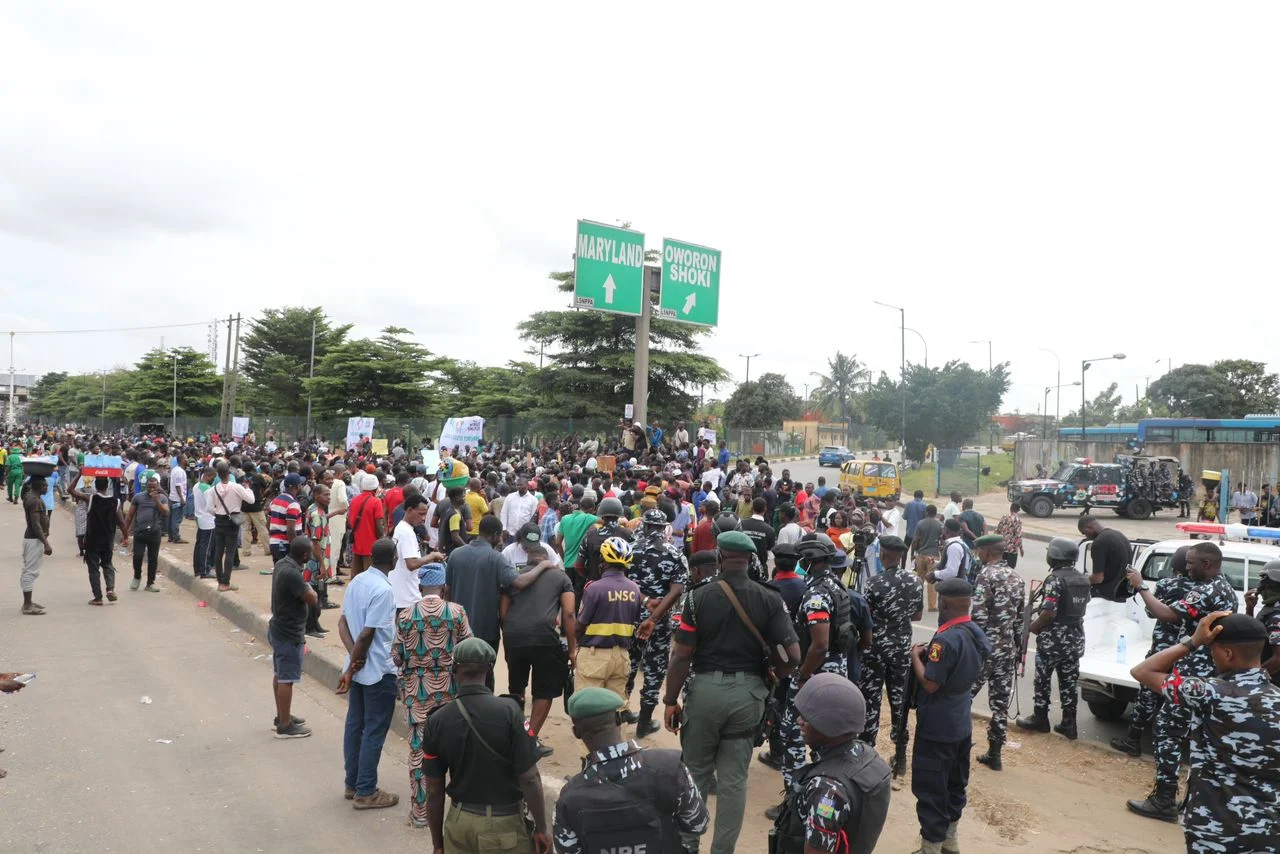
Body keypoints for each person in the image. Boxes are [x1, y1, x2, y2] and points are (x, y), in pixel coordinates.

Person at [663, 530, 801, 854]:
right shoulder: (770, 598)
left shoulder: (697, 597)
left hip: (705, 692)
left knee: (694, 773)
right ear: (751, 560)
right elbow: (793, 656)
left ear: (720, 558)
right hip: (748, 696)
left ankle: (687, 845)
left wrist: (670, 701)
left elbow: (681, 654)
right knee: (733, 783)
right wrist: (773, 674)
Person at [1129, 612, 1280, 853]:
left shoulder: (1209, 692)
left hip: (1215, 830)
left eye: (1213, 652)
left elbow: (1143, 671)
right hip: (1269, 833)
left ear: (1227, 654)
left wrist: (1193, 641)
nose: (1212, 657)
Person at [1122, 541, 1239, 821]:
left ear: (1207, 564)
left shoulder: (1209, 590)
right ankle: (1190, 800)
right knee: (1195, 739)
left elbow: (1167, 615)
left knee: (1168, 732)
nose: (1186, 568)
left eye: (1191, 563)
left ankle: (1164, 800)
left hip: (1192, 672)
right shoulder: (1225, 589)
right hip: (1206, 671)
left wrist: (1140, 586)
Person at [421, 637, 552, 854]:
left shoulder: (437, 720)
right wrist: (541, 828)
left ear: (455, 670)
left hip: (459, 824)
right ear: (489, 670)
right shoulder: (511, 712)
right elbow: (529, 778)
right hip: (504, 825)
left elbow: (434, 791)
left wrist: (437, 844)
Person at [554, 687, 708, 854]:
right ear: (618, 720)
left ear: (576, 733)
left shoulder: (570, 798)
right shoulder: (670, 768)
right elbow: (699, 824)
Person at [771, 532, 857, 817]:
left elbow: (819, 645)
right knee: (827, 737)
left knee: (793, 735)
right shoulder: (836, 586)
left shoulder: (818, 593)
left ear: (808, 561)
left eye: (802, 560)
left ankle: (794, 805)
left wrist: (802, 675)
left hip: (816, 677)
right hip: (835, 673)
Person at [909, 578, 992, 854]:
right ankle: (949, 841)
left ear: (943, 604)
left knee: (931, 787)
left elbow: (930, 684)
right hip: (960, 723)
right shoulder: (974, 631)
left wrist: (915, 658)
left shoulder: (945, 640)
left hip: (937, 727)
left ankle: (930, 847)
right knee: (955, 784)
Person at [769, 674, 891, 854]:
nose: (799, 721)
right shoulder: (866, 754)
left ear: (830, 725)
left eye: (807, 718)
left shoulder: (826, 790)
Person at [393, 561, 471, 830]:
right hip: (451, 696)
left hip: (417, 695)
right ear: (444, 587)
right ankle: (461, 815)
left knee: (420, 754)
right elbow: (469, 652)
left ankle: (421, 813)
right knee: (458, 754)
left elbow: (397, 656)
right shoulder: (457, 613)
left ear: (419, 585)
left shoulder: (405, 616)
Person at [1110, 545, 1196, 757]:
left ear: (1174, 566)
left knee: (1148, 694)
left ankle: (1133, 739)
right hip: (1188, 651)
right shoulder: (1203, 588)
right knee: (1179, 694)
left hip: (1163, 649)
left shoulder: (1167, 584)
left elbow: (1151, 611)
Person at [336, 537, 400, 810]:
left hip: (361, 668)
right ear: (393, 559)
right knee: (373, 729)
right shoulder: (384, 591)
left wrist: (352, 660)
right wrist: (355, 659)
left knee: (355, 725)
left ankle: (353, 783)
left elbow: (342, 623)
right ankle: (365, 790)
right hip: (378, 670)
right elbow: (367, 633)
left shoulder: (357, 581)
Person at [499, 537, 574, 755]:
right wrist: (571, 649)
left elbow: (503, 614)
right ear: (548, 560)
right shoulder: (560, 577)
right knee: (544, 690)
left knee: (516, 688)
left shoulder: (513, 576)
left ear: (527, 559)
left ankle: (516, 732)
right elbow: (568, 614)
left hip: (514, 636)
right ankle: (530, 738)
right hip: (544, 637)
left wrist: (510, 637)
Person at [447, 515, 554, 666]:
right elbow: (520, 582)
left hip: (457, 627)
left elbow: (447, 591)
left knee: (459, 671)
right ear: (495, 535)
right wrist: (542, 565)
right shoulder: (496, 558)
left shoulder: (455, 555)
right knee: (485, 673)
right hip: (486, 629)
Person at [1016, 537, 1090, 740]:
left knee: (1043, 680)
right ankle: (1069, 723)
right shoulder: (1082, 578)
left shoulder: (1055, 579)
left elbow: (1049, 612)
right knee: (1068, 681)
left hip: (1054, 640)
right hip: (1075, 638)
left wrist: (1033, 627)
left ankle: (1040, 719)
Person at [858, 535, 922, 765]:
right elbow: (918, 615)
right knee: (899, 700)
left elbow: (866, 618)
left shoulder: (874, 583)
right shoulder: (915, 581)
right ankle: (901, 755)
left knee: (871, 698)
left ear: (883, 555)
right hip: (901, 648)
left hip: (875, 650)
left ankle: (866, 753)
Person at [625, 509, 688, 738]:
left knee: (627, 667)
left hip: (629, 619)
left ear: (645, 525)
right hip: (659, 624)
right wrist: (653, 618)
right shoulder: (674, 553)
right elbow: (678, 590)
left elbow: (621, 582)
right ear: (663, 528)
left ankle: (620, 712)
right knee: (654, 670)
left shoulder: (629, 549)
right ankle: (644, 723)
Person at [968, 533, 1025, 770]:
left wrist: (970, 647)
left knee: (962, 697)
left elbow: (979, 616)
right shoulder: (1016, 577)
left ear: (988, 551)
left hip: (985, 649)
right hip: (1007, 648)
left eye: (979, 551)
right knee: (1000, 704)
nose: (978, 554)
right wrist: (1017, 648)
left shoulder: (985, 576)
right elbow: (1021, 619)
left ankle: (958, 746)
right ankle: (995, 754)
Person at [574, 535, 643, 705]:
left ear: (603, 561)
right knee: (616, 707)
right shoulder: (634, 589)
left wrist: (578, 645)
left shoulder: (594, 589)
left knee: (588, 706)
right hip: (621, 656)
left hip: (594, 655)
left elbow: (580, 625)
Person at [268, 535, 319, 739]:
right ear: (305, 555)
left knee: (280, 674)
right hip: (289, 632)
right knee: (286, 678)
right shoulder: (292, 573)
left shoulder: (282, 563)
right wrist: (311, 588)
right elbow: (312, 598)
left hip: (279, 628)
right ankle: (285, 726)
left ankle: (283, 715)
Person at [81, 476, 128, 605]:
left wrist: (80, 474)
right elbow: (122, 523)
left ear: (96, 485)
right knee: (107, 564)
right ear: (107, 486)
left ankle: (98, 598)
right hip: (107, 541)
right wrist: (126, 537)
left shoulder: (91, 499)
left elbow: (70, 490)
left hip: (91, 541)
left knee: (93, 569)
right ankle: (110, 589)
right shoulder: (115, 502)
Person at [209, 461, 255, 592]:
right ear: (229, 472)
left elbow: (209, 508)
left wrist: (219, 513)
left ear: (217, 473)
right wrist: (248, 488)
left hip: (219, 521)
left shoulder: (214, 489)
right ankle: (226, 582)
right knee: (230, 551)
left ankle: (220, 581)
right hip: (232, 522)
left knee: (218, 552)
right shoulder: (236, 487)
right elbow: (251, 500)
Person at [124, 472, 168, 592]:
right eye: (150, 487)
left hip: (155, 532)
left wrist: (157, 501)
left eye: (154, 487)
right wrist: (125, 533)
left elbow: (166, 513)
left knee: (153, 559)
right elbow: (129, 516)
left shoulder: (163, 498)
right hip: (140, 531)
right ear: (146, 486)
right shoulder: (138, 497)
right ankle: (137, 576)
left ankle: (150, 583)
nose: (152, 489)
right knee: (137, 556)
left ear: (158, 486)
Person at [1078, 516, 1132, 602]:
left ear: (1089, 527)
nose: (1086, 537)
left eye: (1084, 533)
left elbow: (1098, 578)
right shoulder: (1119, 535)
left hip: (1107, 594)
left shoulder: (1099, 543)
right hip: (1123, 593)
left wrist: (1081, 581)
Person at [1245, 559, 1280, 685]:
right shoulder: (1271, 609)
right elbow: (1253, 637)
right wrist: (1250, 609)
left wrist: (1250, 679)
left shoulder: (1276, 615)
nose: (1259, 587)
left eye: (1264, 581)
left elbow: (1278, 659)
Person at [348, 473, 387, 577]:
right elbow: (379, 526)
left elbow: (350, 520)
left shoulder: (354, 500)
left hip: (357, 540)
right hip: (371, 543)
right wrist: (382, 539)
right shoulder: (376, 502)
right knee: (369, 574)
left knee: (356, 574)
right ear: (375, 488)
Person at [911, 504, 943, 612]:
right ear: (935, 512)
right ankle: (932, 605)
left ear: (926, 512)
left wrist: (912, 554)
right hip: (933, 555)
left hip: (921, 554)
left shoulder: (920, 523)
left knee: (919, 580)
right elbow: (942, 542)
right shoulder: (940, 525)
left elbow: (915, 540)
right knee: (932, 581)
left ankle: (917, 604)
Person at [267, 473, 304, 566]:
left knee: (279, 573)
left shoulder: (275, 501)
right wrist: (295, 549)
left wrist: (275, 536)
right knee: (290, 574)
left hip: (275, 543)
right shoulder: (293, 504)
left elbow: (268, 524)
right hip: (286, 545)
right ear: (297, 486)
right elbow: (291, 530)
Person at [191, 467, 216, 578]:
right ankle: (205, 570)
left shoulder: (196, 486)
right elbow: (211, 505)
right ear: (208, 476)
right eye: (213, 477)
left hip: (200, 518)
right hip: (208, 519)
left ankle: (197, 569)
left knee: (199, 545)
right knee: (206, 547)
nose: (213, 480)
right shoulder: (207, 489)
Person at [500, 479, 539, 543]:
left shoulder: (533, 500)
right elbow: (504, 513)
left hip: (524, 535)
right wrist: (504, 529)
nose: (519, 487)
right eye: (517, 485)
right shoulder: (510, 497)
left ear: (527, 486)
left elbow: (533, 518)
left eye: (521, 485)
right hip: (509, 533)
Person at [994, 502, 1024, 568]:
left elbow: (997, 530)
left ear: (1010, 508)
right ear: (1018, 510)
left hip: (1002, 547)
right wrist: (1021, 549)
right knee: (1010, 569)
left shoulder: (1004, 517)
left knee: (1000, 567)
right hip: (1012, 549)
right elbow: (1018, 536)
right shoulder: (1018, 520)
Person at [167, 453, 188, 544]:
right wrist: (182, 498)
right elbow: (178, 486)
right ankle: (176, 537)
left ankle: (171, 536)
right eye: (186, 458)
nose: (187, 460)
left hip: (173, 497)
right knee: (176, 518)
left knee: (171, 518)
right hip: (177, 499)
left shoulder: (175, 469)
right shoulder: (180, 471)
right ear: (182, 460)